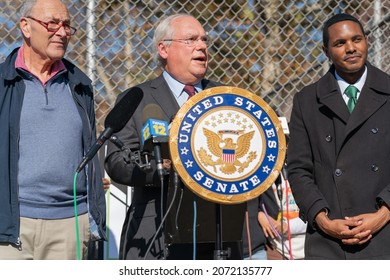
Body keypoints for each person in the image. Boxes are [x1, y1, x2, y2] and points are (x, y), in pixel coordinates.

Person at [105, 14, 245, 260]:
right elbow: (116, 162)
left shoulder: (227, 98)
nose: (202, 46)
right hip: (156, 234)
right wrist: (163, 167)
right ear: (164, 48)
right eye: (191, 40)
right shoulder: (137, 98)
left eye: (204, 40)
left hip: (218, 233)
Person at [0, 0, 106, 260]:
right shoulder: (3, 82)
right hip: (10, 225)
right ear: (26, 26)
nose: (61, 32)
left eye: (67, 25)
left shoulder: (81, 84)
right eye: (52, 24)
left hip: (70, 224)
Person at [287, 13, 390, 259]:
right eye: (340, 43)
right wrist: (322, 219)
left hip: (385, 232)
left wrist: (383, 214)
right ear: (326, 51)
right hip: (329, 241)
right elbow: (299, 169)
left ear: (367, 41)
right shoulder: (307, 101)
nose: (351, 48)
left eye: (356, 39)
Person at [257, 171, 306, 260]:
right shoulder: (264, 173)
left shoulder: (307, 174)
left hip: (307, 247)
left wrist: (287, 226)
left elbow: (318, 217)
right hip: (275, 249)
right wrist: (259, 214)